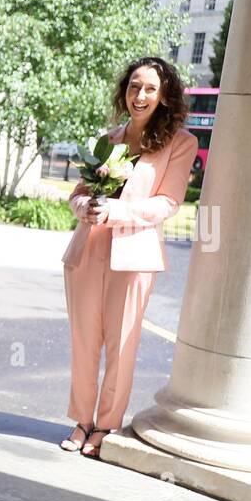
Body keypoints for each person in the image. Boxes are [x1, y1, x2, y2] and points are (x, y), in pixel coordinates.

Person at [60, 56, 195, 457]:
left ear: (164, 94)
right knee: (84, 341)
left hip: (134, 257)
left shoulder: (181, 143)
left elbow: (168, 202)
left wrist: (116, 213)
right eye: (135, 86)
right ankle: (81, 420)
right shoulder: (110, 139)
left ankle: (105, 425)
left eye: (150, 88)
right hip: (87, 252)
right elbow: (78, 195)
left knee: (122, 345)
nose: (140, 95)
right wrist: (85, 208)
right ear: (125, 91)